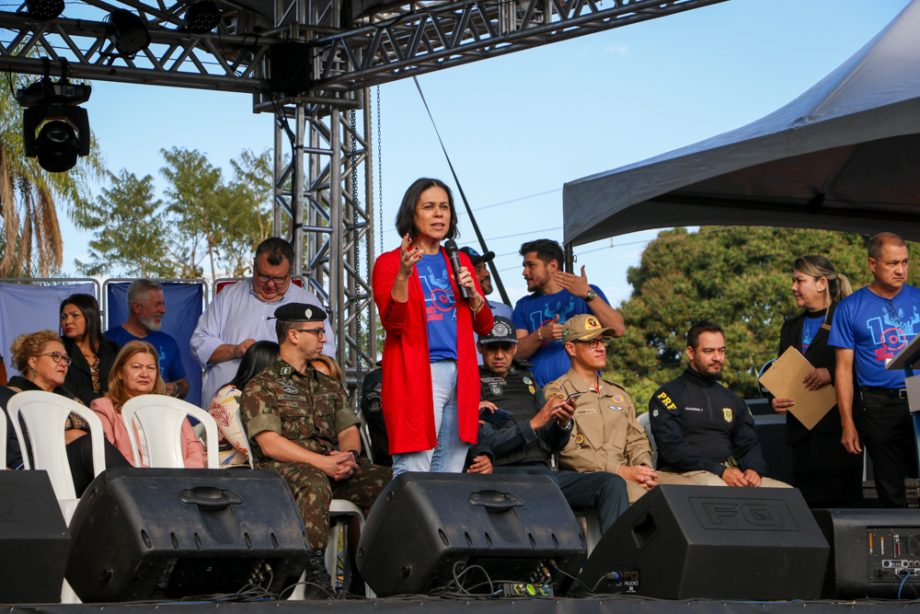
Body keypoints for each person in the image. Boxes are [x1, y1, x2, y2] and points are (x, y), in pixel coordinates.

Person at [240, 303, 390, 597]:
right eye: (318, 332)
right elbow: (270, 443)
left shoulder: (328, 384)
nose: (324, 338)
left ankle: (365, 572)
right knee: (313, 481)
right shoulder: (262, 385)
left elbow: (348, 430)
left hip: (331, 468)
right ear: (294, 335)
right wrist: (322, 463)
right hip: (283, 471)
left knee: (390, 482)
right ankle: (314, 572)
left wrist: (346, 456)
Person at [372, 178, 494, 475]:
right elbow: (393, 323)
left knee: (450, 471)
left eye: (444, 207)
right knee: (414, 468)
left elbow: (486, 325)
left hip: (462, 373)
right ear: (412, 214)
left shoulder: (459, 259)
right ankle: (405, 523)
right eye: (429, 207)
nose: (439, 214)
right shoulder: (389, 263)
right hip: (418, 372)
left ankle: (438, 524)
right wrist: (403, 273)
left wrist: (475, 294)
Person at [467, 317, 629, 533]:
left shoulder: (528, 380)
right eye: (491, 348)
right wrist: (533, 424)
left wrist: (562, 424)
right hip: (504, 475)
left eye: (505, 347)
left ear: (515, 348)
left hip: (544, 474)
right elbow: (484, 442)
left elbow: (553, 443)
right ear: (480, 348)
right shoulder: (470, 381)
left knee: (612, 484)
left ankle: (613, 565)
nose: (499, 355)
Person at [545, 314, 691, 502]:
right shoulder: (559, 393)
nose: (601, 348)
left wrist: (644, 467)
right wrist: (621, 471)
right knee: (646, 499)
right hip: (592, 479)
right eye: (591, 342)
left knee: (691, 492)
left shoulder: (618, 394)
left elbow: (636, 439)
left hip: (631, 472)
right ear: (571, 348)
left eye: (602, 341)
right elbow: (569, 453)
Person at [829, 232, 920, 507]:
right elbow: (843, 370)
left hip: (918, 390)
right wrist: (847, 422)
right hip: (877, 399)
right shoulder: (850, 308)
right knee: (889, 483)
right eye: (892, 263)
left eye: (905, 262)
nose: (901, 270)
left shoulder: (918, 297)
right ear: (872, 264)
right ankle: (901, 546)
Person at [192, 237, 336, 409]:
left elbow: (325, 355)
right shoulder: (228, 297)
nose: (270, 284)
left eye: (278, 279)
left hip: (287, 410)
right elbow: (199, 341)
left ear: (290, 272)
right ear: (253, 266)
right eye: (263, 276)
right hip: (226, 410)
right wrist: (235, 350)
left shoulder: (308, 303)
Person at [649, 321, 789, 488]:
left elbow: (748, 444)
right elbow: (672, 448)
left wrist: (753, 469)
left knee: (786, 493)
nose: (717, 357)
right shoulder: (668, 395)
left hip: (729, 473)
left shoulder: (732, 399)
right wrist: (719, 470)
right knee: (718, 490)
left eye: (721, 351)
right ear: (690, 352)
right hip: (684, 473)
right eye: (709, 351)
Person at [770, 256, 862, 507]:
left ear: (822, 283)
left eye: (799, 280)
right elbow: (781, 372)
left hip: (838, 432)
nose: (793, 287)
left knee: (844, 505)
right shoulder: (790, 327)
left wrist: (831, 373)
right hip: (802, 436)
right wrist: (774, 400)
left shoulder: (847, 317)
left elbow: (867, 366)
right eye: (793, 281)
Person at [0, 330, 131, 492]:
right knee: (88, 446)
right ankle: (142, 492)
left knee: (96, 455)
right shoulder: (9, 397)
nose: (63, 363)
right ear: (33, 362)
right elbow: (11, 449)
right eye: (55, 356)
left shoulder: (69, 399)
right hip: (34, 472)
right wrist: (60, 438)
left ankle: (138, 492)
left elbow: (98, 437)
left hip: (75, 471)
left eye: (65, 359)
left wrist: (73, 437)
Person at [512, 238, 625, 387]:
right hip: (539, 397)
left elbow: (618, 329)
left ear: (553, 265)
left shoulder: (588, 293)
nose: (525, 272)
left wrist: (587, 293)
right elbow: (515, 353)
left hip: (584, 393)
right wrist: (540, 335)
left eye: (531, 265)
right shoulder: (523, 305)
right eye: (524, 266)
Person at [90, 341, 206, 468]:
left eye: (151, 368)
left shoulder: (172, 408)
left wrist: (182, 474)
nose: (145, 374)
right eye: (136, 367)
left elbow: (194, 448)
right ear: (119, 373)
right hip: (131, 481)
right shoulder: (104, 408)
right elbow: (108, 457)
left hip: (179, 480)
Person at [105, 280, 188, 399]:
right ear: (137, 307)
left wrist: (173, 388)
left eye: (163, 304)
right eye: (157, 304)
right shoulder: (107, 340)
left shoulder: (168, 342)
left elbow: (183, 384)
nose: (163, 310)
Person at [207, 341, 279, 468]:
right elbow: (247, 445)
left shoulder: (272, 396)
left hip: (262, 469)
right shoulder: (228, 396)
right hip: (229, 472)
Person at [59, 294, 121, 406]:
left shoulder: (113, 350)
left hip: (112, 413)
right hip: (74, 412)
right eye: (64, 317)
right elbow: (62, 388)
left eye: (75, 315)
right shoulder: (58, 349)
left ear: (91, 317)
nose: (68, 321)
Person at [460, 246, 513, 320]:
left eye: (485, 267)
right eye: (478, 270)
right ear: (463, 276)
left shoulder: (505, 311)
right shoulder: (453, 317)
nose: (487, 274)